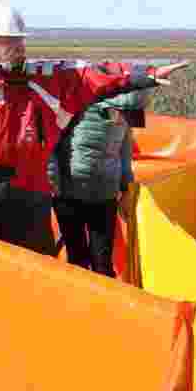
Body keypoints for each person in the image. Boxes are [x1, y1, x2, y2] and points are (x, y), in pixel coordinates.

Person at [0, 3, 187, 255]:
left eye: (21, 41)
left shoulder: (45, 79)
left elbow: (92, 74)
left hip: (29, 202)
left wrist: (146, 75)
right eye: (11, 42)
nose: (20, 48)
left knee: (33, 280)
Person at [48, 88, 154, 275]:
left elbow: (124, 152)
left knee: (89, 260)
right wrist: (125, 187)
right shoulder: (119, 112)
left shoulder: (82, 99)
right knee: (90, 260)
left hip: (86, 192)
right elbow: (125, 152)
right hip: (87, 192)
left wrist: (126, 188)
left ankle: (89, 301)